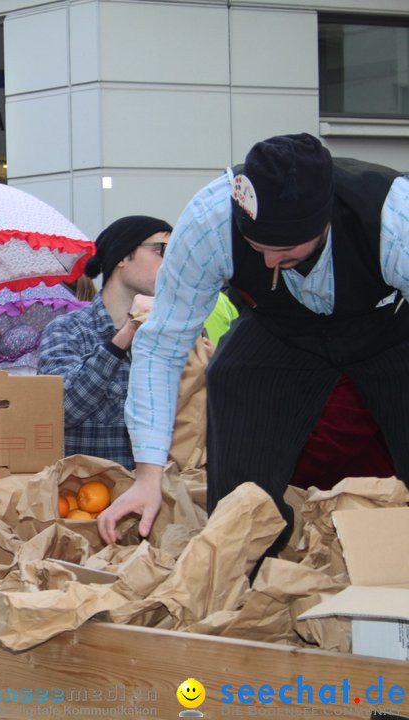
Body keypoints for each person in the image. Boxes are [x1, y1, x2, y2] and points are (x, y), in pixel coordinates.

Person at [99, 132, 409, 553]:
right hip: (279, 327)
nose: (266, 263)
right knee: (230, 380)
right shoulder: (209, 220)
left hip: (388, 326)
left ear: (324, 220)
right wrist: (147, 475)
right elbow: (162, 347)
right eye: (256, 246)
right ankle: (247, 572)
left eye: (285, 251)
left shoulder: (393, 218)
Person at [37, 216, 171, 469]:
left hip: (164, 494)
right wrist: (126, 334)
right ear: (122, 256)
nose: (170, 264)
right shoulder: (68, 331)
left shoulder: (174, 331)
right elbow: (62, 411)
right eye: (160, 251)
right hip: (89, 498)